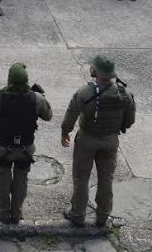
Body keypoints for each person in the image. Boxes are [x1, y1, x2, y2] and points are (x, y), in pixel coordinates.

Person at [61, 55, 135, 229]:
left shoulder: (85, 93)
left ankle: (78, 214)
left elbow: (70, 116)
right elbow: (130, 121)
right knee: (106, 178)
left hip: (87, 139)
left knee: (81, 177)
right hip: (110, 140)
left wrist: (65, 133)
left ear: (95, 72)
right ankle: (102, 216)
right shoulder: (125, 94)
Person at [0, 62, 52, 224]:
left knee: (3, 177)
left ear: (9, 79)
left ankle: (3, 211)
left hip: (3, 147)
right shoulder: (36, 98)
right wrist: (42, 97)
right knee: (22, 178)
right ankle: (16, 213)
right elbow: (48, 116)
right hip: (25, 148)